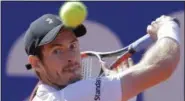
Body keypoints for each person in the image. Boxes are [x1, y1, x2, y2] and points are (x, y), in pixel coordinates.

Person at [24, 14, 180, 101]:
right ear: (36, 63)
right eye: (57, 51)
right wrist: (168, 28)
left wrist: (120, 92)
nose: (71, 58)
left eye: (72, 46)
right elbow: (163, 66)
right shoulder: (66, 97)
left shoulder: (44, 95)